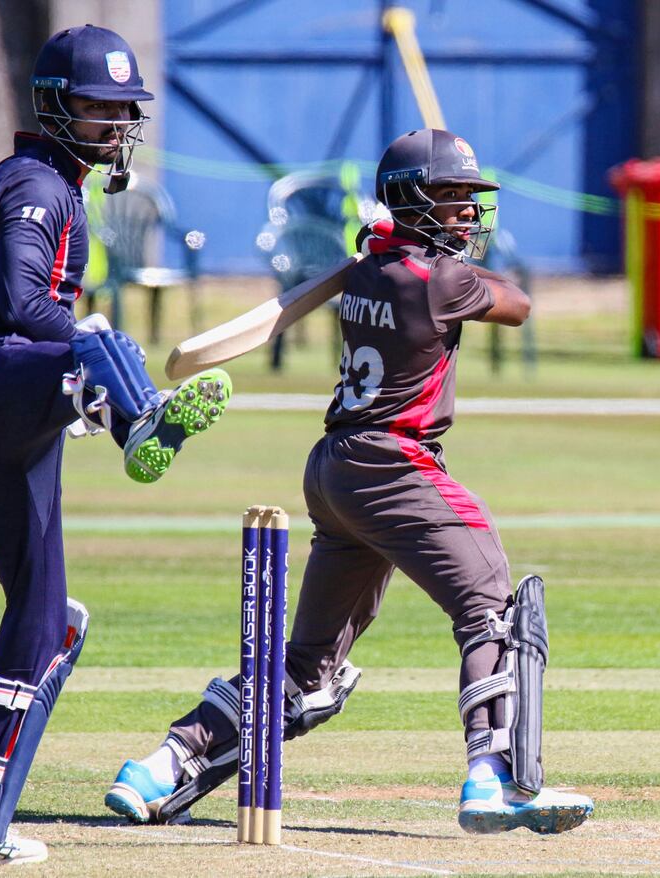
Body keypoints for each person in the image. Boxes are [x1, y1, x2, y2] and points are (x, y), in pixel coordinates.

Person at [104, 128, 593, 836]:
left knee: (309, 672)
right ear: (407, 199)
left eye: (469, 201)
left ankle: (162, 763)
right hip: (395, 464)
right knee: (491, 607)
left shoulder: (369, 271)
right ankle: (493, 777)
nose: (467, 215)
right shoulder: (438, 280)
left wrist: (387, 245)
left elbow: (408, 270)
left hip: (335, 469)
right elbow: (517, 303)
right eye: (451, 198)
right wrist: (412, 249)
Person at [0, 24, 231, 869]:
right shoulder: (35, 183)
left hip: (1, 409)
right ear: (55, 105)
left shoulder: (29, 182)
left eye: (124, 109)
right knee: (97, 339)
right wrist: (74, 350)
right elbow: (23, 305)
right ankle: (140, 423)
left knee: (46, 620)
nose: (116, 122)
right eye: (99, 107)